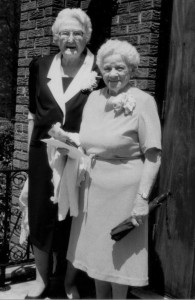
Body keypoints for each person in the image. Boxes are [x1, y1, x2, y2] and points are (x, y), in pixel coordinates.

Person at [66, 39, 162, 299]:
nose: (113, 74)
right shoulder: (94, 98)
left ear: (131, 69)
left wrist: (142, 199)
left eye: (119, 68)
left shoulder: (143, 102)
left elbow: (153, 156)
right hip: (92, 188)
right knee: (97, 253)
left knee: (119, 255)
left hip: (125, 191)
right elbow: (88, 140)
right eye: (107, 68)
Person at [26, 8, 102, 299]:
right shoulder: (40, 65)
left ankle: (69, 281)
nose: (71, 39)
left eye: (78, 34)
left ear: (86, 38)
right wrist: (33, 147)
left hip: (81, 155)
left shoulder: (98, 70)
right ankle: (41, 278)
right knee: (40, 214)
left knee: (77, 217)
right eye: (65, 33)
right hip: (42, 155)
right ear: (56, 38)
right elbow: (33, 113)